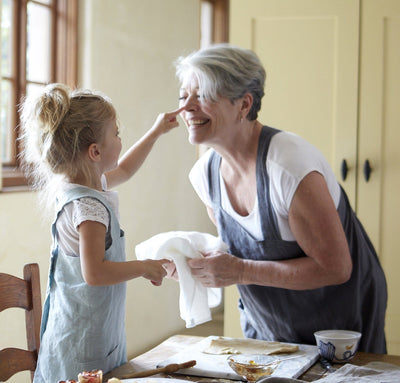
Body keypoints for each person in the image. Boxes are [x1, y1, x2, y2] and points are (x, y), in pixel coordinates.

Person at [174, 44, 387, 353]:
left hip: (338, 324)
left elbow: (336, 268)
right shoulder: (204, 176)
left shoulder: (288, 166)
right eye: (183, 96)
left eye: (203, 95)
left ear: (244, 105)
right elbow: (236, 254)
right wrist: (185, 263)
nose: (187, 108)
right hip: (267, 326)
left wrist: (241, 271)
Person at [20, 83, 181, 382]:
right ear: (95, 151)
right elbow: (94, 273)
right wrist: (145, 267)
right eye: (116, 134)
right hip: (81, 344)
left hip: (93, 332)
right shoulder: (88, 208)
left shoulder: (83, 187)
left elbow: (127, 169)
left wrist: (157, 131)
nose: (120, 140)